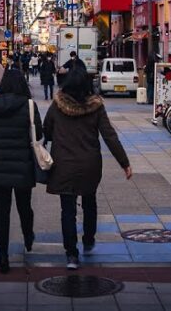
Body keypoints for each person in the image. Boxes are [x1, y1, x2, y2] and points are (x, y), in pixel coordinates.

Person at [43, 68, 132, 270]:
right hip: (90, 163)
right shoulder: (96, 106)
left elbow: (46, 130)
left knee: (67, 209)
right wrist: (124, 162)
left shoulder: (57, 105)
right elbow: (109, 136)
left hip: (63, 164)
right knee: (89, 199)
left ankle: (71, 255)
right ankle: (89, 239)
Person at [0, 68, 42, 274]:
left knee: (2, 212)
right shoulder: (29, 106)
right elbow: (39, 133)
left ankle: (3, 257)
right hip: (22, 165)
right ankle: (28, 236)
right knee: (24, 206)